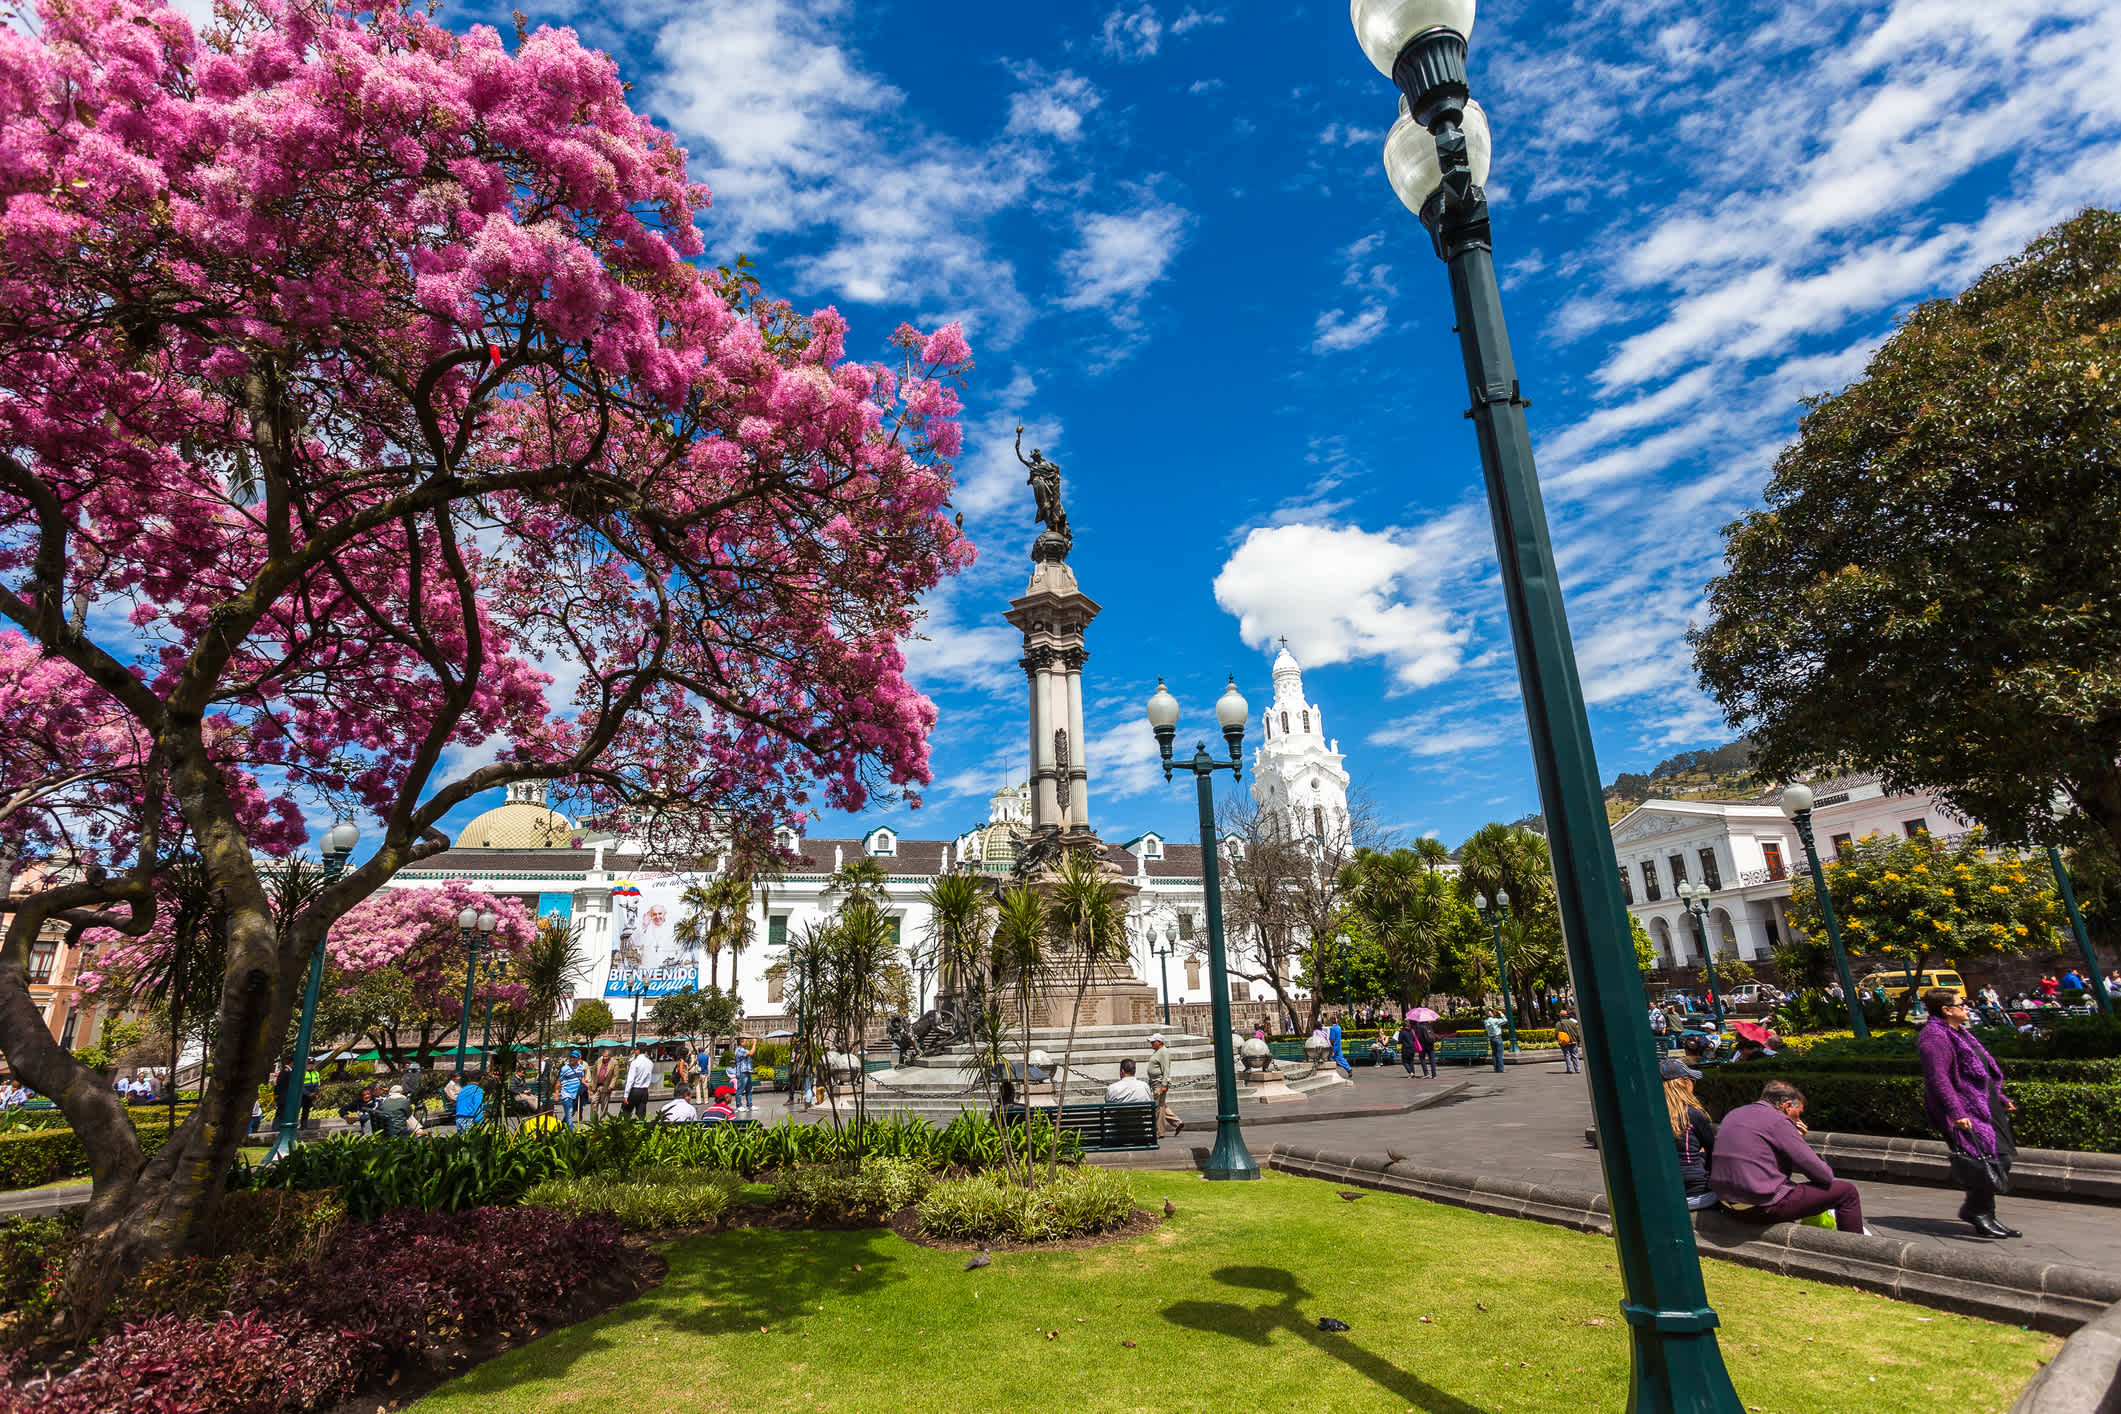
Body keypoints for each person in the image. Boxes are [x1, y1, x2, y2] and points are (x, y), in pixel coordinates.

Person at [1917, 987, 2020, 1239]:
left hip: (1985, 1104)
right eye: (1961, 1004)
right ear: (1946, 1010)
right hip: (1965, 1110)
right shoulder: (1934, 1036)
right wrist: (1956, 1112)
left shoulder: (1959, 1033)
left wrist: (2001, 1098)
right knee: (1986, 1160)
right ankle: (1979, 1212)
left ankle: (1982, 1212)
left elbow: (1979, 1073)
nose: (1967, 1008)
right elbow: (1938, 1079)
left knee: (2001, 1157)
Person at [1711, 1079, 1869, 1235]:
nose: (1798, 1120)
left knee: (1791, 1188)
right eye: (1798, 1114)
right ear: (1786, 1106)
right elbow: (1823, 1175)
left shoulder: (1734, 1113)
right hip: (1759, 1207)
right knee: (1847, 1192)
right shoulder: (1778, 1120)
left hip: (1726, 1203)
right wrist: (1797, 1139)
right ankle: (1858, 1251)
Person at [1661, 1059, 1718, 1210]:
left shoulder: (1650, 1114)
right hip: (1696, 1194)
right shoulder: (1693, 1114)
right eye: (1692, 1080)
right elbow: (1714, 1151)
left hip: (1661, 1192)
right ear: (1684, 1083)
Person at [1144, 1033, 1182, 1137]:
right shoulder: (1158, 1052)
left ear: (1159, 1042)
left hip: (1159, 1083)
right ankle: (1177, 1123)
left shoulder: (1164, 1052)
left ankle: (1159, 1132)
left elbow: (1166, 1069)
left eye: (1153, 1041)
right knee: (1162, 1105)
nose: (1151, 1043)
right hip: (1155, 1083)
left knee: (1158, 1108)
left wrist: (1164, 1084)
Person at [624, 1043, 654, 1118]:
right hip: (644, 1090)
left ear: (638, 1051)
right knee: (641, 1114)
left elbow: (630, 1080)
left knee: (625, 1113)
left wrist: (626, 1094)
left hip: (635, 1089)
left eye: (635, 1049)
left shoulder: (635, 1062)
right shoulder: (650, 1063)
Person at [557, 1050, 587, 1127]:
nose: (571, 1059)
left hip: (576, 1094)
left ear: (578, 1058)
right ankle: (572, 1133)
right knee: (569, 1114)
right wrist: (557, 1095)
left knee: (570, 1113)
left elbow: (582, 1079)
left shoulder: (580, 1067)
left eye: (574, 1057)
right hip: (567, 1094)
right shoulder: (565, 1068)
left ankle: (560, 1127)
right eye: (571, 1057)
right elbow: (558, 1082)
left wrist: (587, 1089)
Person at [731, 1038, 756, 1115]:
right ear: (741, 1043)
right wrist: (754, 1043)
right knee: (740, 1089)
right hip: (742, 1072)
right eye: (745, 1041)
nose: (746, 1042)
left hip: (747, 1071)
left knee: (749, 1089)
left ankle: (749, 1105)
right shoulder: (739, 1050)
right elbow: (751, 1053)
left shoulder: (743, 1049)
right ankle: (739, 1106)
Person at [591, 1049, 617, 1118]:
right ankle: (594, 1119)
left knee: (604, 1105)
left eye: (606, 1056)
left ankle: (602, 1120)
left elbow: (615, 1076)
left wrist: (611, 1086)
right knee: (593, 1102)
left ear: (610, 1056)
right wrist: (592, 1084)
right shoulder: (598, 1061)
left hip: (606, 1086)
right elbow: (594, 1073)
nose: (604, 1058)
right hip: (597, 1086)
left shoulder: (614, 1063)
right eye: (603, 1056)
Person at [1556, 1009, 1583, 1075]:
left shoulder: (1558, 1024)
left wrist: (1558, 1040)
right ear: (1567, 1016)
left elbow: (1556, 1033)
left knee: (1567, 1055)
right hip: (1573, 1041)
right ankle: (1577, 1069)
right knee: (1575, 1055)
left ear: (1560, 1016)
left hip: (1564, 1042)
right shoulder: (1572, 1023)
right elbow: (1577, 1033)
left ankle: (1569, 1069)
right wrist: (1578, 1040)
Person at [1413, 1014, 1439, 1080]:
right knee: (1432, 1060)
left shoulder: (1420, 1027)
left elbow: (1418, 1037)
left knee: (1422, 1059)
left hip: (1423, 1046)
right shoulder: (1429, 1026)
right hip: (1430, 1045)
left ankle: (1426, 1073)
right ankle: (1434, 1075)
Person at [1483, 1008, 1506, 1074]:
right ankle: (1501, 1069)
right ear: (1491, 1014)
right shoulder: (1495, 1020)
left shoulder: (1486, 1021)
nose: (1494, 1014)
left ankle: (1496, 1068)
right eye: (1492, 1013)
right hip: (1497, 1037)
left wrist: (1494, 1011)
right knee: (1499, 1054)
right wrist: (1501, 1013)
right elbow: (1505, 1020)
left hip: (1491, 1038)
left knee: (1494, 1054)